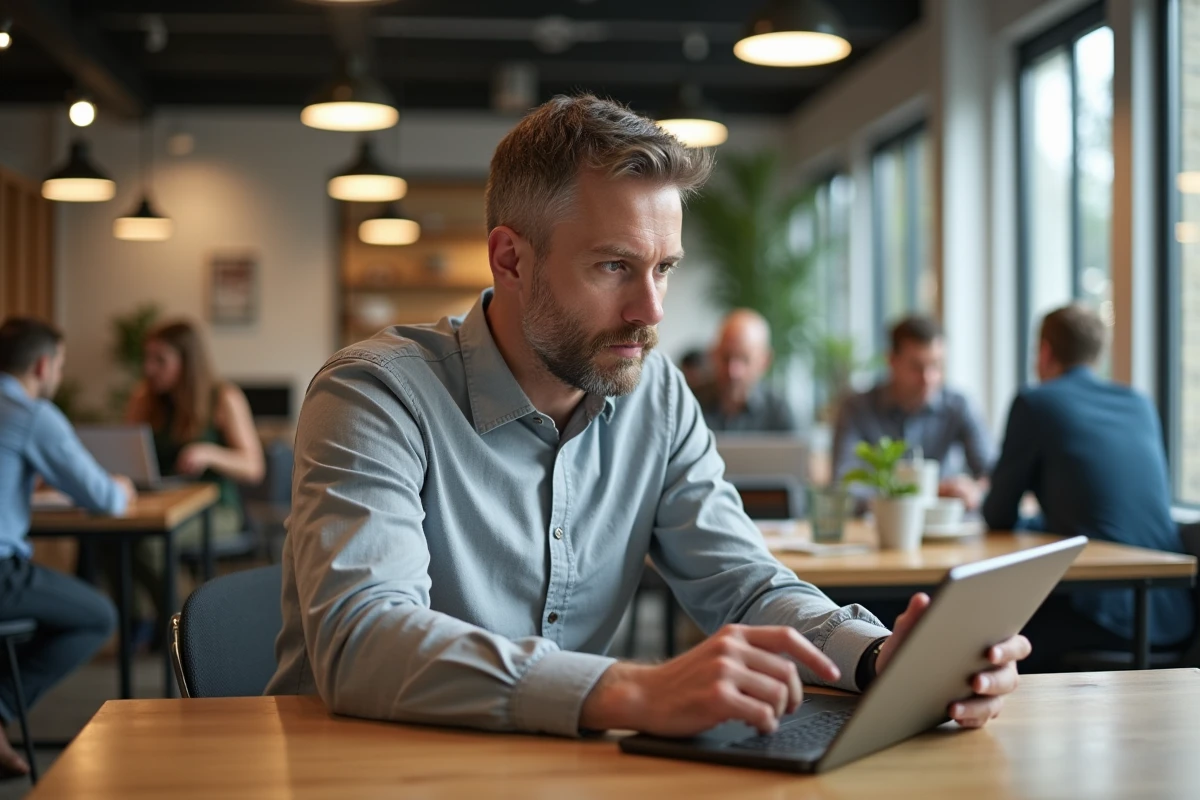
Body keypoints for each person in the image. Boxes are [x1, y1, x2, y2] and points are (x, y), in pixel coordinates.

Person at [267, 94, 1028, 739]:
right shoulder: (374, 394)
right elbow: (361, 638)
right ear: (511, 260)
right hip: (367, 768)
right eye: (614, 267)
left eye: (664, 268)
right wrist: (629, 691)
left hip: (564, 769)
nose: (651, 310)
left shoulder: (654, 394)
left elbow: (744, 585)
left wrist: (875, 657)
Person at [983, 305, 1194, 669]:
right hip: (1176, 616)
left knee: (984, 637)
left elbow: (998, 515)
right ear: (1097, 353)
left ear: (1045, 351)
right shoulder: (1139, 404)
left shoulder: (1036, 402)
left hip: (1102, 619)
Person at [0, 317, 134, 777]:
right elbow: (104, 499)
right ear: (42, 365)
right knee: (97, 616)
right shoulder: (30, 414)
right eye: (59, 363)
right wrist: (123, 487)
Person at [122, 320, 263, 643]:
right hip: (162, 503)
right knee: (110, 541)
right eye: (148, 358)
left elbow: (253, 466)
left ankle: (184, 632)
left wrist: (210, 453)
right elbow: (128, 450)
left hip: (216, 509)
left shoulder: (223, 397)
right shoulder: (146, 398)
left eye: (161, 360)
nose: (149, 368)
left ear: (187, 361)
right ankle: (142, 621)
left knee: (150, 543)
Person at [832, 316, 993, 510]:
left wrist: (975, 490)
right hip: (880, 531)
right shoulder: (857, 408)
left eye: (936, 365)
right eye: (917, 367)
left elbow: (994, 473)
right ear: (892, 361)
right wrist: (925, 493)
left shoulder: (958, 406)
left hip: (946, 530)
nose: (928, 379)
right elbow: (844, 486)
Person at [692, 309, 799, 433]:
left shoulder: (778, 411)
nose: (733, 371)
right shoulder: (690, 402)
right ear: (714, 353)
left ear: (764, 361)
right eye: (726, 357)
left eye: (744, 359)